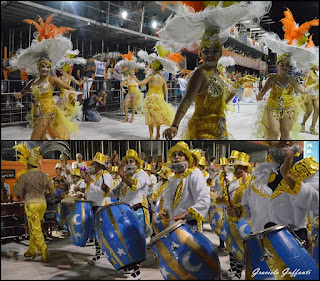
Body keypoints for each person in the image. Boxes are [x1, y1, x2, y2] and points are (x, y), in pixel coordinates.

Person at [159, 1, 271, 140]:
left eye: (214, 51)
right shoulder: (200, 73)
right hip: (202, 129)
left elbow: (223, 101)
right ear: (201, 54)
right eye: (206, 51)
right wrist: (175, 125)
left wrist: (238, 84)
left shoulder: (216, 75)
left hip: (220, 129)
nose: (210, 55)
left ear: (220, 54)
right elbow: (187, 100)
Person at [256, 8, 319, 140]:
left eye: (286, 65)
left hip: (289, 108)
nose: (284, 67)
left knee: (285, 133)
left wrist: (312, 88)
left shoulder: (292, 79)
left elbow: (301, 90)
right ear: (277, 66)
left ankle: (283, 153)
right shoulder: (273, 78)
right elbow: (264, 90)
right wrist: (259, 95)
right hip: (272, 106)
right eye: (281, 65)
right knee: (273, 131)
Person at [12, 141, 69, 263]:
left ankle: (43, 250)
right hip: (42, 204)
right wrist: (46, 196)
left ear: (28, 164)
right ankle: (32, 250)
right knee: (35, 227)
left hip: (31, 204)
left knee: (35, 228)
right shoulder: (44, 175)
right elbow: (53, 192)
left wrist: (19, 188)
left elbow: (17, 192)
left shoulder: (25, 176)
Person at [112, 149, 152, 279]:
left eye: (132, 161)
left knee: (136, 241)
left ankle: (136, 272)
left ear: (137, 163)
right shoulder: (125, 177)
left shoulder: (142, 174)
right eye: (127, 162)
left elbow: (134, 186)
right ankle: (128, 266)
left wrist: (121, 174)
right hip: (124, 213)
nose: (129, 164)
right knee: (126, 241)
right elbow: (115, 194)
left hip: (137, 211)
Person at [158, 141, 210, 232]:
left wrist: (187, 214)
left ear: (187, 159)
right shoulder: (173, 179)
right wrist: (165, 211)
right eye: (174, 155)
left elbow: (204, 199)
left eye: (180, 155)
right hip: (173, 225)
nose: (177, 157)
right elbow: (168, 201)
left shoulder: (194, 174)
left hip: (190, 225)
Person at [137, 47, 181, 140]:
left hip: (150, 97)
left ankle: (151, 136)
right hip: (160, 98)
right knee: (158, 118)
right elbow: (165, 91)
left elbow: (142, 83)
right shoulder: (162, 78)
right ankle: (157, 134)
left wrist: (135, 82)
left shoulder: (151, 76)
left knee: (150, 118)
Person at [85, 152, 113, 265]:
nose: (90, 166)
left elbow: (103, 193)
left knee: (103, 232)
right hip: (95, 205)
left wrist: (90, 184)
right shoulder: (97, 176)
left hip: (102, 206)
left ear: (99, 166)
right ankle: (98, 253)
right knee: (97, 232)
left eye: (93, 164)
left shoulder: (105, 176)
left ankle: (107, 254)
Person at [300, 64, 319, 135]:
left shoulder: (316, 75)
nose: (318, 67)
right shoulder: (309, 73)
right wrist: (311, 88)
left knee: (317, 109)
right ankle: (303, 123)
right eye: (317, 66)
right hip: (309, 93)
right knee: (309, 111)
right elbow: (305, 84)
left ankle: (312, 128)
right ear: (313, 65)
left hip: (315, 94)